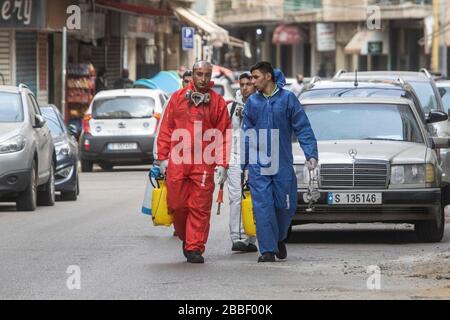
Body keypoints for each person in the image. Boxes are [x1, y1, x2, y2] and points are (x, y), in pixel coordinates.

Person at [154, 61, 231, 264]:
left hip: (204, 163)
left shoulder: (218, 102)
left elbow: (224, 134)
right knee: (177, 204)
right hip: (178, 161)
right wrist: (162, 157)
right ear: (193, 75)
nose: (203, 79)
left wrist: (223, 163)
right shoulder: (177, 99)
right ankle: (186, 236)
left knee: (200, 207)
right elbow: (166, 129)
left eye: (207, 74)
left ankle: (195, 247)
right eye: (199, 74)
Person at [242, 61, 318, 262]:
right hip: (259, 164)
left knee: (285, 205)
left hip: (282, 162)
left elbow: (303, 127)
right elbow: (246, 135)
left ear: (268, 77)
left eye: (256, 77)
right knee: (263, 206)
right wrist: (244, 165)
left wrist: (311, 154)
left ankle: (279, 238)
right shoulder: (252, 103)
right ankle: (267, 250)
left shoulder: (288, 99)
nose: (252, 82)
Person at [227, 72, 257, 253]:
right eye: (242, 84)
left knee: (253, 198)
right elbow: (225, 133)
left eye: (249, 84)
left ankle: (250, 237)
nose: (245, 88)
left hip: (255, 158)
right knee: (236, 198)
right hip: (235, 158)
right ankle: (237, 236)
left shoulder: (261, 104)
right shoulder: (232, 107)